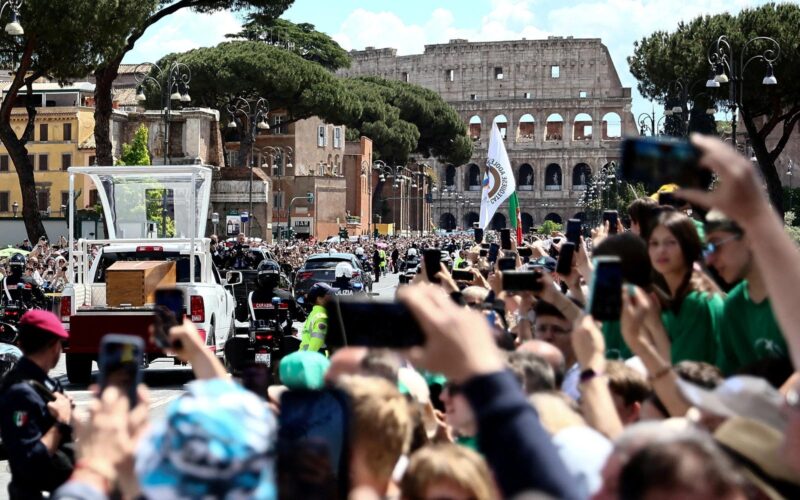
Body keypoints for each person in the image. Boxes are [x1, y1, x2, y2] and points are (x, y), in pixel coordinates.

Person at [703, 209, 788, 376]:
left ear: (750, 237)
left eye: (716, 246)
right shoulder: (733, 307)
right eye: (707, 250)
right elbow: (727, 378)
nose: (709, 260)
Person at [0, 310, 74, 499]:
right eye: (61, 343)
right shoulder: (20, 392)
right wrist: (61, 423)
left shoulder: (46, 383)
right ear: (53, 346)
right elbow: (28, 460)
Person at [647, 210, 723, 365]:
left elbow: (681, 374)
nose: (661, 250)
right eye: (654, 243)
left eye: (670, 242)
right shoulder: (677, 297)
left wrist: (654, 326)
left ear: (688, 246)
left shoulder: (696, 302)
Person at [248, 259, 302, 337]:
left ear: (259, 277)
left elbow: (240, 317)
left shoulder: (251, 296)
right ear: (277, 277)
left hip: (256, 337)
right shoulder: (286, 295)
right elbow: (301, 317)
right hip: (282, 338)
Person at [298, 283, 336, 353]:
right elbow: (316, 341)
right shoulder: (322, 317)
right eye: (329, 295)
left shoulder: (314, 313)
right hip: (315, 357)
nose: (333, 297)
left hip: (304, 354)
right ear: (319, 299)